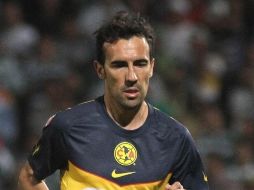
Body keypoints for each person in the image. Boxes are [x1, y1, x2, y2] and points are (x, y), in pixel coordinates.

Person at [18, 11, 209, 190]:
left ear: (151, 67)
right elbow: (28, 177)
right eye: (119, 65)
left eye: (140, 64)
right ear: (100, 70)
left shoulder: (177, 138)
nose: (132, 76)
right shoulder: (67, 126)